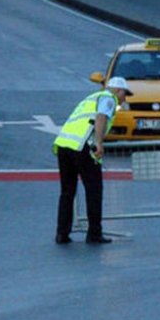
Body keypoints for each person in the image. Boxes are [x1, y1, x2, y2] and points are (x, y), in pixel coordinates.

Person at [53, 77, 133, 245]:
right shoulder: (109, 99)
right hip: (83, 146)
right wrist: (99, 143)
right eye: (125, 94)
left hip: (64, 145)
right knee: (94, 190)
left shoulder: (91, 98)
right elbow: (101, 117)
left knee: (67, 192)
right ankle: (94, 233)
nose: (125, 98)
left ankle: (62, 233)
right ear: (118, 91)